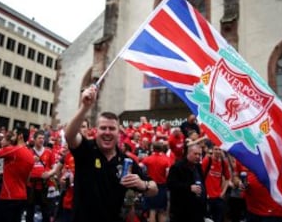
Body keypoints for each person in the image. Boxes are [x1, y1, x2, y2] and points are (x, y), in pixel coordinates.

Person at [65, 85, 158, 222]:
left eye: (112, 128)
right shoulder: (86, 149)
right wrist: (85, 107)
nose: (107, 132)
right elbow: (70, 136)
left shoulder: (127, 161)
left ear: (118, 133)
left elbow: (154, 189)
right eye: (103, 128)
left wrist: (142, 185)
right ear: (96, 130)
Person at [0, 129, 35, 222]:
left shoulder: (15, 149)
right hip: (22, 196)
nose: (13, 137)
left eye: (14, 134)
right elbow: (27, 178)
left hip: (8, 197)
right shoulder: (30, 155)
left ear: (20, 136)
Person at [167, 143, 207, 222]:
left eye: (200, 154)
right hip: (182, 211)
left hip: (198, 210)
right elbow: (170, 184)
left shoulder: (198, 167)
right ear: (188, 153)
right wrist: (188, 187)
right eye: (195, 154)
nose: (198, 157)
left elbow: (202, 183)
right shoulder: (177, 166)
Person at [140, 142, 171, 222]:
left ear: (153, 149)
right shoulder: (166, 159)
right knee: (162, 211)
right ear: (162, 149)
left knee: (152, 211)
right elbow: (168, 174)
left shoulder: (148, 158)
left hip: (151, 187)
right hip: (162, 187)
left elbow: (140, 167)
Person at [202, 145, 230, 222]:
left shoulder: (224, 164)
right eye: (216, 149)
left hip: (218, 197)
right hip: (207, 197)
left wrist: (223, 192)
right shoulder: (207, 160)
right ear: (212, 150)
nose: (218, 151)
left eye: (219, 149)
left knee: (218, 218)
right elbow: (200, 176)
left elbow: (228, 178)